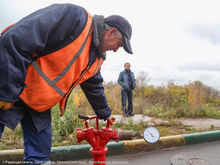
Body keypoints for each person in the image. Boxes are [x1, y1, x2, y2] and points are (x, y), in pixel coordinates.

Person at [0, 3, 133, 164]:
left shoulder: (95, 58)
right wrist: (5, 92)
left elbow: (94, 86)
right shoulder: (75, 18)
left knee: (40, 157)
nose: (116, 50)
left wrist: (105, 113)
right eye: (119, 45)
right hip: (11, 85)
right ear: (111, 32)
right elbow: (15, 39)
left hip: (38, 101)